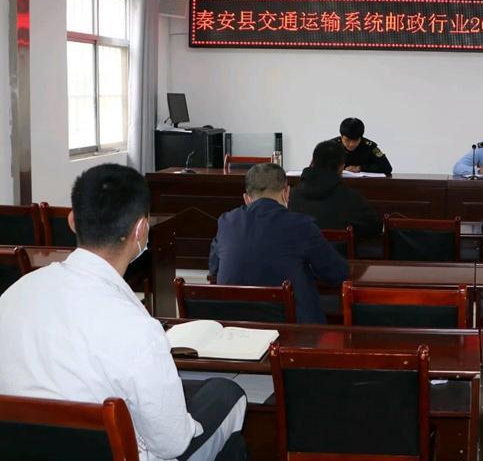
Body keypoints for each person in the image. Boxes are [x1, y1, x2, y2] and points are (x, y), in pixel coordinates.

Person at [0, 164, 247, 461]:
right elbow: (172, 445)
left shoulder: (13, 294)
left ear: (73, 221)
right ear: (141, 229)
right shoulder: (135, 328)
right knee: (229, 398)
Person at [210, 163, 348, 323]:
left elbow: (214, 269)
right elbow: (336, 273)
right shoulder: (301, 225)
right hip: (292, 330)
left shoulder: (226, 222)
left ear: (246, 199)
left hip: (236, 327)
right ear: (286, 193)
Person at [289, 139, 383, 240]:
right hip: (338, 250)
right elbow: (376, 226)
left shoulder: (291, 195)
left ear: (312, 162)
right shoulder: (351, 198)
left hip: (298, 250)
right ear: (341, 168)